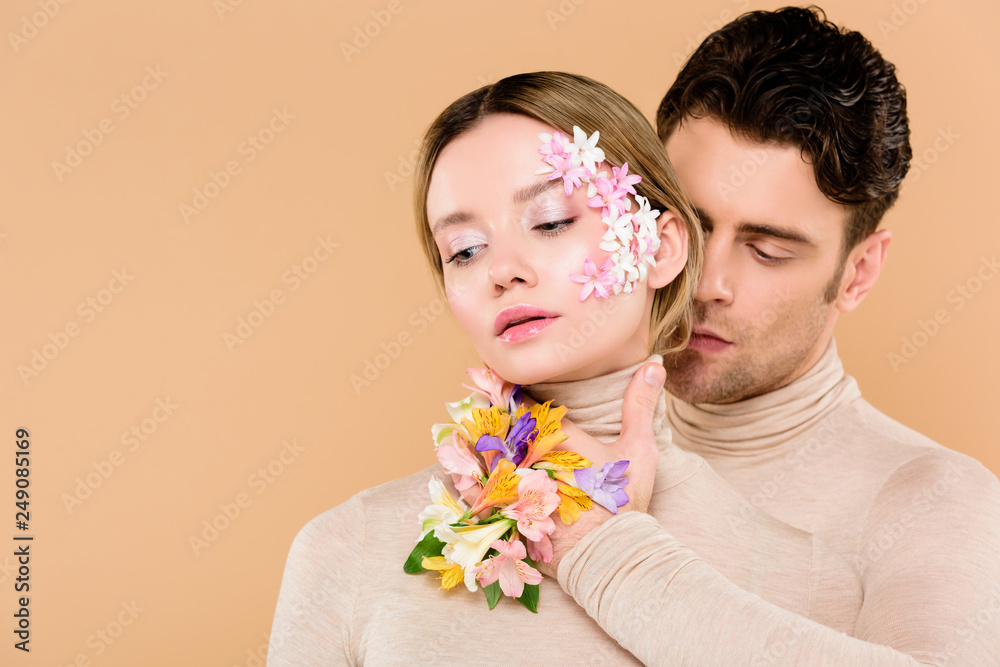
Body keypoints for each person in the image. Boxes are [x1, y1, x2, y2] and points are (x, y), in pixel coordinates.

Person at [266, 70, 865, 665]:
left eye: (551, 220)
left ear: (661, 248)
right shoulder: (347, 550)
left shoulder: (808, 577)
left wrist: (610, 549)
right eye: (465, 250)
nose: (502, 269)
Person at [535, 6, 1000, 666]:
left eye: (768, 250)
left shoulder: (934, 499)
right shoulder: (543, 445)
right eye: (686, 225)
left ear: (858, 271)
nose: (705, 282)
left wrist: (602, 551)